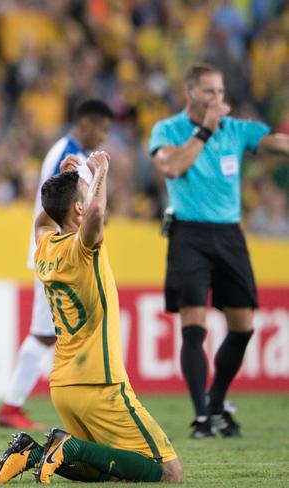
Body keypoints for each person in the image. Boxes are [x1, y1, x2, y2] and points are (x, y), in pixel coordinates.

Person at [0, 151, 182, 484]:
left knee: (107, 467)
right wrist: (100, 171)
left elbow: (45, 219)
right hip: (99, 381)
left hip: (63, 384)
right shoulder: (82, 248)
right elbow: (95, 211)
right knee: (168, 472)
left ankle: (30, 453)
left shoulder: (45, 246)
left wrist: (71, 182)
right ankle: (67, 445)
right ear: (77, 208)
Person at [148, 62, 289, 439]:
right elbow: (174, 167)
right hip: (188, 234)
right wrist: (206, 127)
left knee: (243, 326)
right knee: (193, 326)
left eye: (221, 93)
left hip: (229, 235)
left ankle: (216, 402)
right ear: (189, 92)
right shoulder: (167, 129)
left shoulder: (237, 130)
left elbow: (278, 144)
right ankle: (201, 418)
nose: (217, 99)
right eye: (209, 92)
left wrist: (218, 124)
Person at [0, 99, 114, 430]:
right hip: (59, 253)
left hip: (60, 250)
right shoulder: (66, 153)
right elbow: (56, 203)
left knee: (51, 334)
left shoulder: (68, 152)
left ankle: (16, 404)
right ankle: (12, 405)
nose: (103, 137)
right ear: (87, 123)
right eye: (102, 129)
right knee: (46, 334)